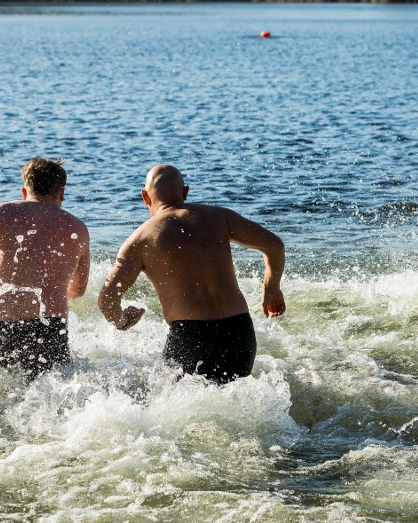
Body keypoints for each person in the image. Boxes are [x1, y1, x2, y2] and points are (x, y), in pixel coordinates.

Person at [98, 164, 286, 384]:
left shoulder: (140, 240)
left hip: (191, 339)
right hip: (239, 333)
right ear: (185, 192)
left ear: (145, 197)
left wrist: (122, 321)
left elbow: (107, 298)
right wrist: (271, 288)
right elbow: (274, 246)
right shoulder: (220, 217)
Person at [0, 158, 90, 381]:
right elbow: (78, 290)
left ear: (24, 191)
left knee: (2, 395)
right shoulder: (77, 228)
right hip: (49, 328)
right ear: (61, 193)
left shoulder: (1, 213)